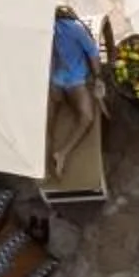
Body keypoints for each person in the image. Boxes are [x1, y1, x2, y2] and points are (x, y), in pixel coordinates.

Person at [46, 10, 104, 177]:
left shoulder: (69, 29)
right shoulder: (68, 29)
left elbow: (92, 53)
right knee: (83, 118)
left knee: (82, 118)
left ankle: (57, 157)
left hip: (65, 81)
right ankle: (55, 157)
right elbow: (93, 53)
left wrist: (98, 78)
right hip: (63, 81)